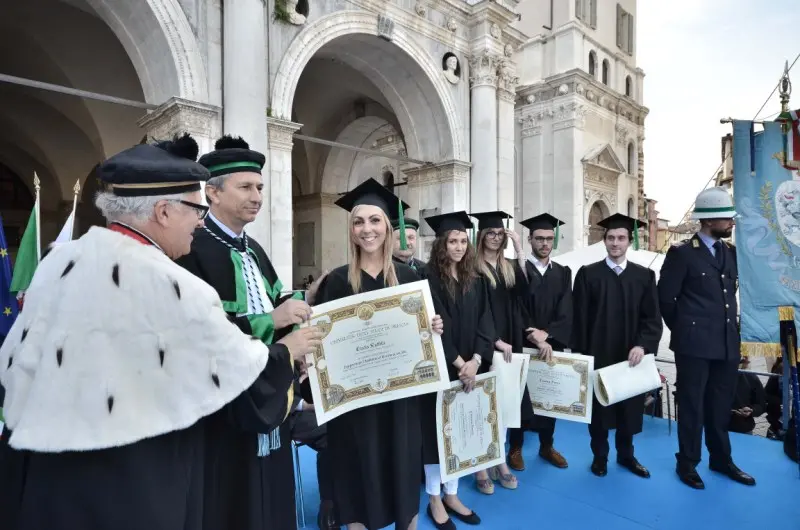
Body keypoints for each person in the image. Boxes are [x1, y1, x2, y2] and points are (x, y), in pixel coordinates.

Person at [0, 134, 320, 530]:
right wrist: (288, 348)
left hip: (47, 478)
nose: (200, 222)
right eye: (196, 209)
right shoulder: (172, 284)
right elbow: (237, 371)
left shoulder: (59, 260)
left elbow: (13, 365)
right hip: (129, 480)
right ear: (164, 211)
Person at [175, 134, 324, 530]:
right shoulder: (192, 249)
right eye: (245, 187)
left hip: (272, 390)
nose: (257, 195)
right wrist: (273, 323)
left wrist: (299, 344)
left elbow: (279, 303)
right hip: (225, 408)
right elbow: (199, 333)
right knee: (231, 500)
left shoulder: (254, 248)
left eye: (259, 186)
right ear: (213, 193)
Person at [305, 177, 445, 530]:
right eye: (358, 221)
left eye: (375, 220)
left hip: (400, 400)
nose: (367, 229)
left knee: (401, 471)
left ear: (388, 227)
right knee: (357, 473)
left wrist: (433, 331)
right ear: (351, 229)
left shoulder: (411, 279)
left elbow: (425, 343)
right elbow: (321, 345)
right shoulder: (335, 282)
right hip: (355, 405)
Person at [658, 187, 755, 489]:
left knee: (719, 405)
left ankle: (721, 459)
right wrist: (687, 331)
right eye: (727, 218)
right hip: (694, 346)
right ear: (709, 220)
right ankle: (687, 462)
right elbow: (665, 300)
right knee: (692, 406)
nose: (731, 223)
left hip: (726, 345)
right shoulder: (682, 254)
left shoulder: (731, 254)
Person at [572, 213, 662, 479]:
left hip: (630, 357)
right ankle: (600, 457)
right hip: (598, 355)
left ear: (629, 241)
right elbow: (579, 319)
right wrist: (581, 356)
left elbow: (652, 317)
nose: (615, 243)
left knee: (629, 411)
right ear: (604, 241)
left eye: (621, 238)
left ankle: (627, 456)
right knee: (599, 413)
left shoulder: (644, 276)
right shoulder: (588, 275)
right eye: (610, 237)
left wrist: (643, 346)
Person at [423, 210, 492, 525]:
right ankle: (434, 498)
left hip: (470, 368)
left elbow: (486, 322)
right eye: (453, 240)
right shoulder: (428, 279)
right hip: (441, 367)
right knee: (437, 434)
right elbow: (435, 325)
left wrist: (476, 360)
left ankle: (452, 492)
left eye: (464, 240)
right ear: (442, 244)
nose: (459, 246)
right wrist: (460, 363)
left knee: (461, 432)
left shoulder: (474, 278)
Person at [470, 210, 527, 485]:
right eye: (490, 233)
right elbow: (477, 310)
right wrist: (494, 341)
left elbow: (527, 293)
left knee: (503, 404)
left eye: (499, 234)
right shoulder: (472, 267)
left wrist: (518, 248)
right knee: (484, 405)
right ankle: (482, 465)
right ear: (481, 236)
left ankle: (500, 460)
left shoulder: (509, 266)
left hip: (508, 342)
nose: (495, 237)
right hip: (483, 342)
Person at [515, 213, 573, 470]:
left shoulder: (562, 273)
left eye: (549, 238)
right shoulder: (517, 269)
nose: (545, 243)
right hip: (522, 343)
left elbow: (567, 310)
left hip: (551, 344)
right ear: (530, 240)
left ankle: (546, 446)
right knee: (518, 396)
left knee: (549, 396)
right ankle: (515, 447)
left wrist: (547, 335)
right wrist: (532, 335)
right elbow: (514, 307)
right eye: (539, 238)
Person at [288, 376, 338, 529]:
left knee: (351, 424)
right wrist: (306, 405)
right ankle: (328, 506)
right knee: (333, 434)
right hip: (289, 414)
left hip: (319, 395)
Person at [728, 358, 766, 434]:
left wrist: (752, 410)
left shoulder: (751, 377)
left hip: (743, 428)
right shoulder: (716, 375)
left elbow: (761, 405)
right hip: (717, 427)